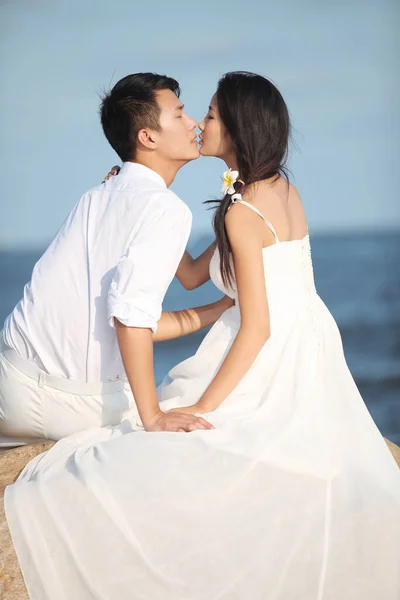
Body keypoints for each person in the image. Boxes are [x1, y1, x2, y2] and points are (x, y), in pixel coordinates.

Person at [5, 71, 400, 599]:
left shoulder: (228, 208)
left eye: (208, 115)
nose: (198, 124)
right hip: (307, 342)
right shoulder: (275, 188)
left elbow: (251, 324)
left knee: (177, 442)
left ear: (236, 127)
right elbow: (188, 282)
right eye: (190, 113)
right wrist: (133, 210)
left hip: (260, 348)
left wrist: (205, 410)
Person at [0, 72, 234, 447]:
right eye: (180, 114)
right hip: (64, 401)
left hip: (8, 377)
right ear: (147, 137)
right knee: (211, 423)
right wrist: (153, 416)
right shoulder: (163, 209)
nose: (193, 124)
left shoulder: (98, 193)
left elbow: (189, 276)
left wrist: (224, 301)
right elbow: (131, 318)